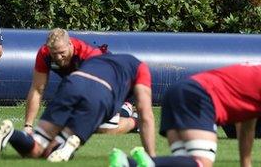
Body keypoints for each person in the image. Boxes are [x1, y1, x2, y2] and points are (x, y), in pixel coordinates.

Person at [0, 54, 155, 162]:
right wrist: (151, 156)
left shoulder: (96, 58)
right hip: (100, 95)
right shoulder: (140, 68)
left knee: (36, 148)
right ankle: (68, 143)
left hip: (71, 84)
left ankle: (11, 133)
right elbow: (146, 114)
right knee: (50, 150)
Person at [109, 62, 261, 167]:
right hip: (198, 97)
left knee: (185, 162)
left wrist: (245, 164)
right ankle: (129, 164)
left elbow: (247, 125)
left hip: (178, 91)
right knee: (201, 162)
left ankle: (130, 163)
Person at [25, 28, 138, 135]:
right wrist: (28, 126)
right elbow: (37, 89)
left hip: (112, 82)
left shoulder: (89, 55)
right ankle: (124, 109)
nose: (58, 58)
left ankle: (135, 120)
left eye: (61, 52)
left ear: (70, 44)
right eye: (54, 54)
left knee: (104, 128)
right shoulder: (44, 54)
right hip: (88, 85)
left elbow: (95, 91)